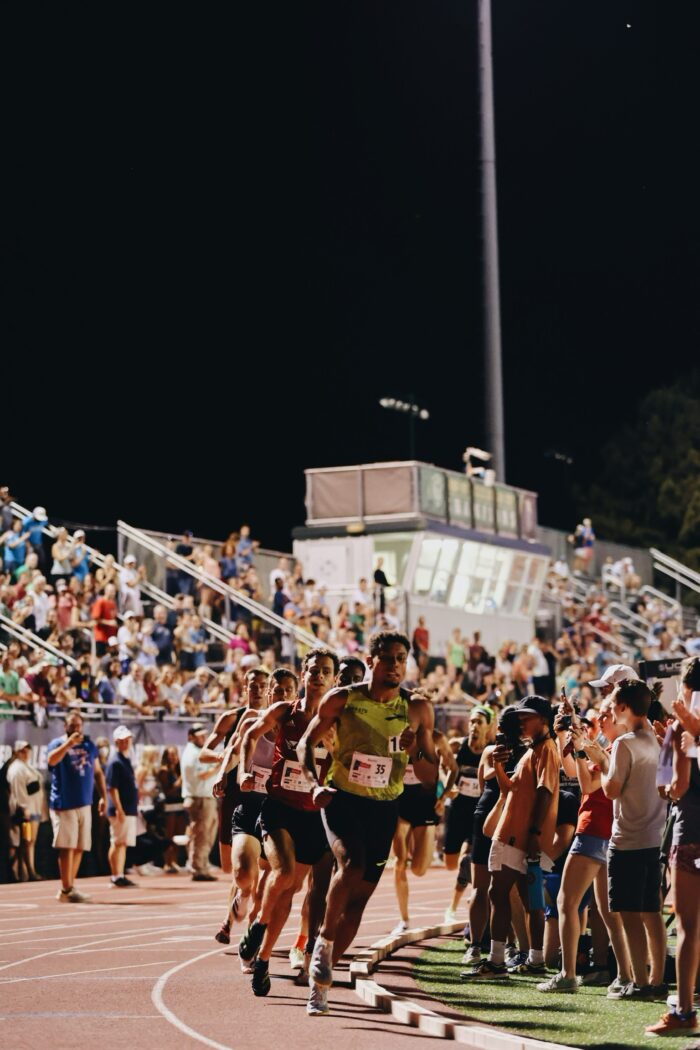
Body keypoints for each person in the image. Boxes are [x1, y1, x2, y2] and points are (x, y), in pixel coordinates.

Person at [298, 632, 437, 1016]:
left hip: (384, 807)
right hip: (342, 799)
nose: (395, 665)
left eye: (401, 658)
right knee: (351, 865)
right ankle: (323, 943)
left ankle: (320, 983)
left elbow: (428, 776)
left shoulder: (417, 708)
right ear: (372, 660)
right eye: (388, 657)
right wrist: (313, 785)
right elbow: (304, 745)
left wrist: (415, 751)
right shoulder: (343, 699)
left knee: (359, 898)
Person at [236, 650, 339, 999]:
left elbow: (350, 759)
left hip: (313, 814)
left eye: (326, 672)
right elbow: (249, 734)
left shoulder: (337, 723)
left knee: (291, 891)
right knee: (281, 874)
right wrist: (242, 772)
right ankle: (258, 925)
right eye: (313, 670)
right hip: (279, 808)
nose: (319, 676)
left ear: (334, 679)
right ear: (304, 673)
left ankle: (263, 958)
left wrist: (334, 746)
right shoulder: (284, 712)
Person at [536, 697, 631, 994]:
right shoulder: (615, 747)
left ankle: (567, 975)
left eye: (605, 714)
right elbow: (576, 772)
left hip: (593, 828)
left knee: (566, 902)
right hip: (608, 832)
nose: (601, 718)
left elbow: (587, 785)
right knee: (607, 911)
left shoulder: (615, 749)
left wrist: (576, 743)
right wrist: (568, 735)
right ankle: (626, 975)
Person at [462, 695, 559, 979]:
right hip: (516, 833)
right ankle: (534, 960)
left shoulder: (545, 750)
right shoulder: (534, 750)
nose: (521, 723)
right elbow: (509, 790)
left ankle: (495, 961)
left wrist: (533, 833)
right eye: (519, 718)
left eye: (526, 717)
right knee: (529, 901)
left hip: (517, 835)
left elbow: (545, 792)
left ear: (543, 719)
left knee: (498, 893)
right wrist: (500, 766)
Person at [598, 678, 668, 999]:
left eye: (613, 704)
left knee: (628, 914)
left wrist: (599, 762)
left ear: (625, 707)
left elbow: (611, 789)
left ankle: (638, 982)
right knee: (652, 913)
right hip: (656, 839)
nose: (610, 710)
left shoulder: (624, 743)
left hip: (627, 840)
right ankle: (656, 980)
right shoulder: (657, 740)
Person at [391, 727, 457, 934]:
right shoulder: (395, 734)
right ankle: (404, 919)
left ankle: (415, 848)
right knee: (399, 862)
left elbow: (452, 768)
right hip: (399, 800)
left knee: (419, 869)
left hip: (425, 803)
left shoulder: (436, 737)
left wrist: (444, 795)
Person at [47, 710, 108, 902]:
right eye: (72, 725)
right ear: (65, 726)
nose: (75, 729)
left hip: (84, 801)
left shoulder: (89, 745)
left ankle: (69, 887)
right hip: (65, 802)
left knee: (81, 846)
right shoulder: (57, 743)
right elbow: (51, 760)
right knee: (67, 846)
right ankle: (67, 887)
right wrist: (68, 744)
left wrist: (103, 797)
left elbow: (97, 772)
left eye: (78, 725)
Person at [443, 706, 492, 924]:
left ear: (488, 726)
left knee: (466, 860)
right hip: (458, 807)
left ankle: (456, 906)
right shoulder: (457, 746)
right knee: (450, 863)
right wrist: (447, 784)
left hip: (478, 809)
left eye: (479, 722)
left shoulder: (491, 751)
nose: (474, 726)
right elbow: (439, 763)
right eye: (472, 721)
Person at [181, 723, 220, 881]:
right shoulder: (193, 753)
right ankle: (198, 868)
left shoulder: (196, 751)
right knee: (201, 835)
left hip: (203, 798)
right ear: (191, 736)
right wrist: (219, 765)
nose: (203, 738)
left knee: (205, 834)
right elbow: (203, 775)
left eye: (204, 735)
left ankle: (201, 864)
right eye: (199, 735)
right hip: (200, 799)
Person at [106, 726, 139, 888]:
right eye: (122, 741)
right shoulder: (115, 762)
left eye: (128, 740)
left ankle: (120, 873)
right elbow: (112, 787)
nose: (126, 743)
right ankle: (115, 875)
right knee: (117, 842)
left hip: (128, 808)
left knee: (123, 843)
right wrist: (119, 809)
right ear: (116, 742)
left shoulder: (125, 760)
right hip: (121, 809)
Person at [7, 740, 42, 881]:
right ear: (16, 752)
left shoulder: (26, 766)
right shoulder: (16, 768)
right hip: (25, 812)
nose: (26, 752)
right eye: (22, 750)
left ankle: (26, 873)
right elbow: (18, 791)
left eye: (27, 749)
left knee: (29, 842)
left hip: (34, 809)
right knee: (24, 842)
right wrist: (24, 809)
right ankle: (24, 873)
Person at [91, 583, 119, 656]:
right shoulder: (100, 602)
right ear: (106, 591)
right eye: (111, 591)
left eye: (114, 591)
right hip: (101, 637)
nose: (113, 593)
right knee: (100, 657)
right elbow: (95, 619)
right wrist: (109, 622)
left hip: (110, 637)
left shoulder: (113, 603)